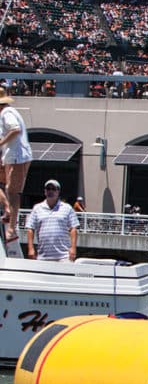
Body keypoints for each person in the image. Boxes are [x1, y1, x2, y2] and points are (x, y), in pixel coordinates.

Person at [0, 89, 32, 242]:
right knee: (8, 189)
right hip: (11, 156)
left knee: (13, 192)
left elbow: (15, 130)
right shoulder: (7, 112)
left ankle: (12, 229)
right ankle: (7, 212)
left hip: (17, 156)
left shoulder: (6, 113)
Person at [25, 179, 79, 262]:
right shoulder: (37, 208)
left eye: (53, 189)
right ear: (45, 191)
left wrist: (73, 248)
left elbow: (73, 229)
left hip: (64, 256)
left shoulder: (67, 208)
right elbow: (30, 229)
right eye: (48, 189)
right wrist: (31, 248)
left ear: (58, 192)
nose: (50, 191)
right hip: (43, 256)